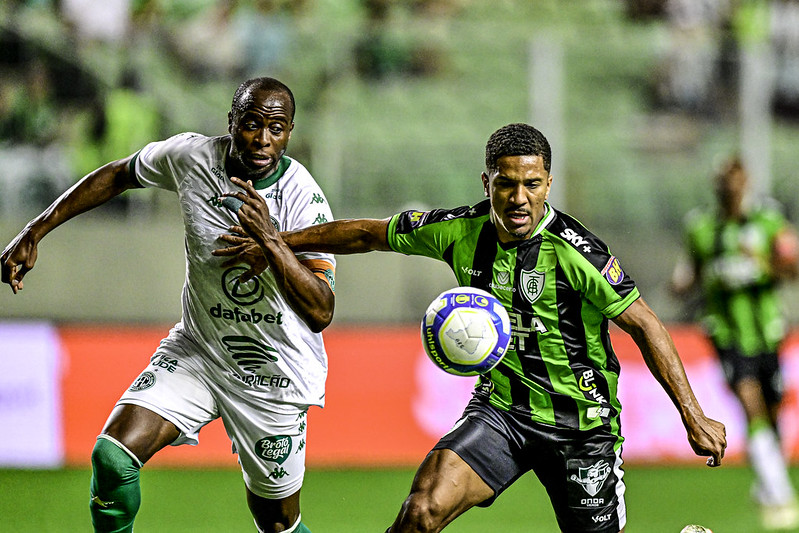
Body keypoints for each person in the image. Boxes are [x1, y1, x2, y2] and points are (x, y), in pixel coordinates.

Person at [215, 122, 728, 532]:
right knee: (421, 511)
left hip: (582, 430)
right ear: (488, 183)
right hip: (502, 414)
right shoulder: (461, 232)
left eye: (532, 184)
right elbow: (367, 234)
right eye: (506, 183)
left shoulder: (578, 253)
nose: (519, 197)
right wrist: (279, 243)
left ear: (549, 183)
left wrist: (693, 415)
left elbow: (646, 325)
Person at [1, 77, 335, 533]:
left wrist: (272, 242)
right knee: (112, 458)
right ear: (231, 122)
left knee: (277, 523)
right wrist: (36, 229)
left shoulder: (303, 197)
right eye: (252, 124)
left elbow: (321, 311)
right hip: (200, 350)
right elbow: (119, 173)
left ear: (290, 131)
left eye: (276, 128)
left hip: (272, 373)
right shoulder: (191, 157)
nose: (262, 139)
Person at [671, 156, 799, 530]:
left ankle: (766, 483)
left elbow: (791, 269)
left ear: (746, 184)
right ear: (716, 186)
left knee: (774, 413)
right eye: (723, 183)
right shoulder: (701, 228)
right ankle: (780, 498)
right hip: (726, 334)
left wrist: (761, 261)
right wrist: (680, 285)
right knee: (750, 403)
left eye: (736, 182)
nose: (729, 189)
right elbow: (690, 275)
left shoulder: (768, 221)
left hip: (768, 331)